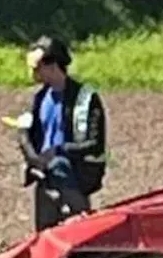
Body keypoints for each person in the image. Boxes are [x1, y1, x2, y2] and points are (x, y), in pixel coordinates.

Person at [17, 35, 107, 230]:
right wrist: (33, 158)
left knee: (80, 233)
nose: (33, 72)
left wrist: (59, 150)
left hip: (73, 178)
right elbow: (24, 133)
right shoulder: (38, 98)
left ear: (53, 65)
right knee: (45, 237)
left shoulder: (86, 99)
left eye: (37, 67)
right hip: (45, 178)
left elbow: (94, 143)